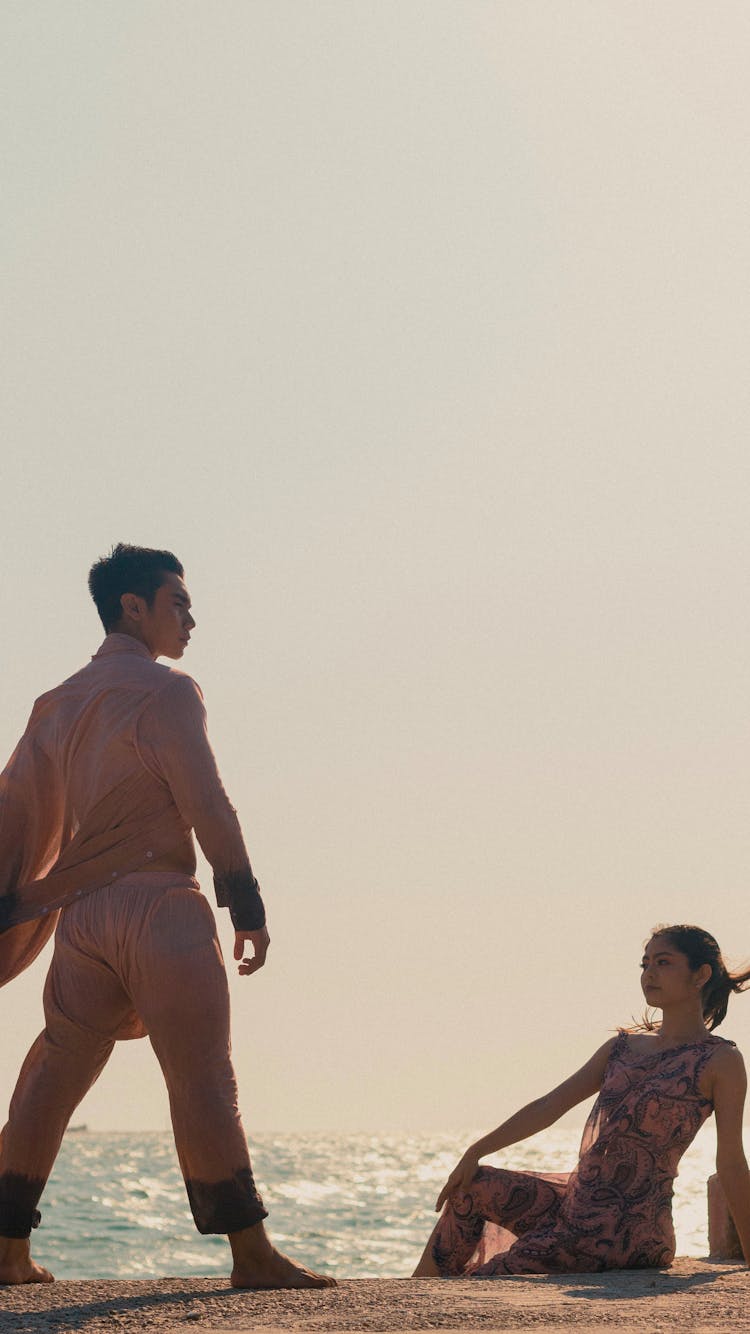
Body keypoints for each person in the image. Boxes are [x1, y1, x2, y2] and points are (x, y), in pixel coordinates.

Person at [0, 543, 334, 1289]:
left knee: (51, 1077)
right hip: (160, 909)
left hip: (83, 922)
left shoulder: (54, 704)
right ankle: (252, 1258)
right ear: (133, 608)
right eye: (177, 602)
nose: (190, 617)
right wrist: (244, 901)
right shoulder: (168, 692)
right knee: (203, 1079)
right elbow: (205, 801)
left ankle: (6, 1252)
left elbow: (14, 815)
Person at [413, 924, 750, 1277]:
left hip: (629, 1230)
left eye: (663, 963)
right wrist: (475, 1151)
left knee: (491, 1277)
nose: (649, 973)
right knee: (472, 1187)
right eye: (645, 964)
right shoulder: (622, 1047)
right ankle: (415, 1293)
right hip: (575, 1208)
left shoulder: (719, 1060)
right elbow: (549, 1106)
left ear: (701, 975)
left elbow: (730, 1160)